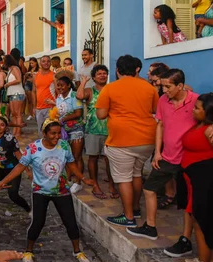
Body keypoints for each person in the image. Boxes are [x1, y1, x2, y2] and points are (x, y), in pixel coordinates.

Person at [0, 120, 94, 262]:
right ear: (44, 133)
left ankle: (77, 251)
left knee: (71, 223)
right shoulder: (33, 148)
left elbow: (71, 164)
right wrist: (3, 181)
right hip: (40, 191)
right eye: (53, 133)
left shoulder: (64, 146)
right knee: (38, 222)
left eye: (58, 133)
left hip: (61, 191)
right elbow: (20, 166)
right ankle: (28, 251)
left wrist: (83, 178)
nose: (56, 136)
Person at [127, 70, 198, 252]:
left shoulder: (196, 101)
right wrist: (157, 152)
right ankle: (150, 227)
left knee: (188, 202)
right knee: (149, 188)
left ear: (180, 86)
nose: (164, 90)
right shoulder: (163, 101)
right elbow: (160, 125)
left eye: (168, 86)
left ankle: (185, 239)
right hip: (167, 156)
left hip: (188, 159)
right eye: (163, 86)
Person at [96, 55, 158, 227]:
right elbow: (154, 109)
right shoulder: (149, 87)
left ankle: (128, 217)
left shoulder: (110, 88)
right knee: (136, 174)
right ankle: (136, 208)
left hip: (121, 140)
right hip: (147, 138)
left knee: (124, 178)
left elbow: (100, 114)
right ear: (136, 69)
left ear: (117, 70)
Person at [180, 93, 213, 262]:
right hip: (192, 180)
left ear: (207, 112)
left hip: (204, 181)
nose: (193, 110)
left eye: (197, 108)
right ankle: (204, 256)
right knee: (195, 217)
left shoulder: (210, 129)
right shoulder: (199, 125)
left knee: (201, 221)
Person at [76, 65, 118, 199]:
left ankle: (112, 184)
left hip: (110, 129)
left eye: (104, 73)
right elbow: (79, 95)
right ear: (94, 77)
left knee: (109, 159)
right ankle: (95, 184)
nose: (102, 75)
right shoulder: (90, 91)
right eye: (99, 73)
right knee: (93, 158)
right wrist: (83, 83)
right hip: (93, 129)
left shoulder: (112, 90)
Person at [49, 76, 85, 182]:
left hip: (76, 129)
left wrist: (63, 118)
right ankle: (68, 179)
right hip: (64, 131)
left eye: (62, 85)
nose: (59, 88)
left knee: (76, 156)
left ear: (69, 85)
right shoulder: (59, 98)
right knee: (67, 156)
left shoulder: (75, 96)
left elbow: (78, 113)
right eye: (58, 85)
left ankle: (78, 182)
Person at [3, 55, 25, 137]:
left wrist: (8, 84)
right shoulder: (10, 70)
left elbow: (19, 80)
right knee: (14, 114)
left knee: (18, 114)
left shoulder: (15, 68)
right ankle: (15, 131)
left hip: (17, 92)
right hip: (11, 93)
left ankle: (18, 132)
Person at [32, 56, 55, 132]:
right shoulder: (36, 76)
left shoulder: (54, 75)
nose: (46, 63)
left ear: (50, 63)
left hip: (50, 108)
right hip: (39, 108)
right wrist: (34, 107)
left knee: (50, 130)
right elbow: (34, 91)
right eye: (44, 61)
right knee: (41, 131)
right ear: (40, 63)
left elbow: (58, 91)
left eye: (48, 61)